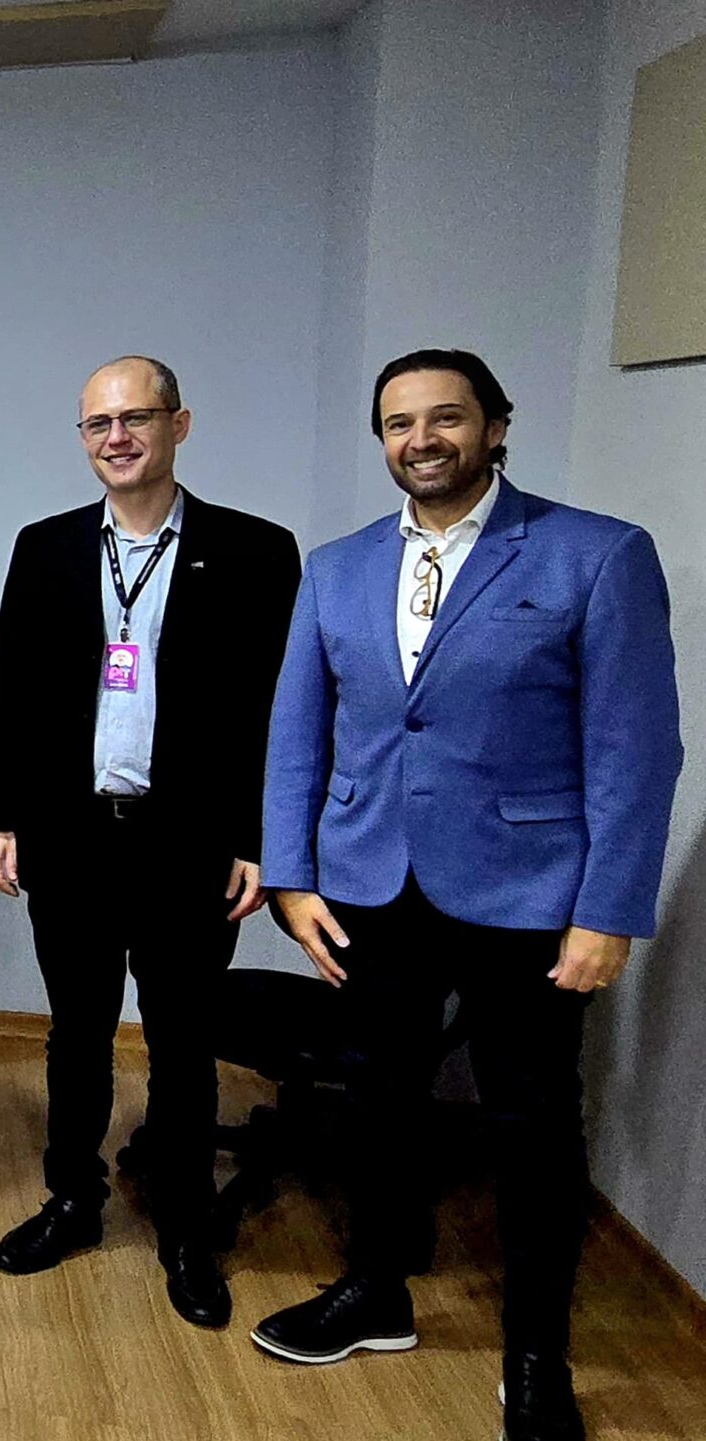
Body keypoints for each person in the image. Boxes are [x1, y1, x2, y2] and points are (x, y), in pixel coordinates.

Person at [252, 349, 681, 1441]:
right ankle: (375, 1290)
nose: (421, 440)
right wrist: (290, 876)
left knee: (532, 1127)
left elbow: (636, 748)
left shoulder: (597, 554)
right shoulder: (336, 567)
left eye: (445, 417)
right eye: (398, 423)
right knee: (376, 1102)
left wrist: (609, 909)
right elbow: (297, 734)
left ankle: (536, 1354)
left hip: (530, 895)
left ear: (496, 426)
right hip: (370, 883)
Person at [0, 356, 301, 1328]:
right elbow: (11, 689)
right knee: (75, 1034)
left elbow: (276, 710)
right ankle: (72, 1198)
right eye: (97, 423)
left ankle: (186, 1228)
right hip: (72, 839)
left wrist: (261, 837)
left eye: (135, 418)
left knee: (182, 1046)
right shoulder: (46, 547)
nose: (115, 437)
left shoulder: (254, 550)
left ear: (178, 425)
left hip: (189, 846)